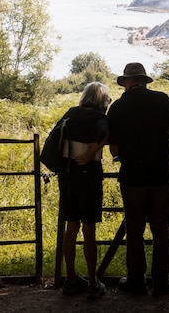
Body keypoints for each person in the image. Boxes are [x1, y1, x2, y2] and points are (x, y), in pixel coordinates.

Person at [107, 62, 169, 297]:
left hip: (132, 177)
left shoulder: (118, 107)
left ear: (126, 82)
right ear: (144, 80)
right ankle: (161, 282)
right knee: (161, 230)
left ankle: (136, 281)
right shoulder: (161, 99)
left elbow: (114, 149)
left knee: (135, 229)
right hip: (161, 174)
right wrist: (163, 154)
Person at [58, 81, 110, 299]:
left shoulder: (71, 113)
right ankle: (92, 281)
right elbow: (109, 135)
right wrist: (91, 153)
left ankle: (70, 278)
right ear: (101, 100)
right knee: (89, 229)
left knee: (71, 226)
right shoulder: (100, 118)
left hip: (68, 174)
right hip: (89, 175)